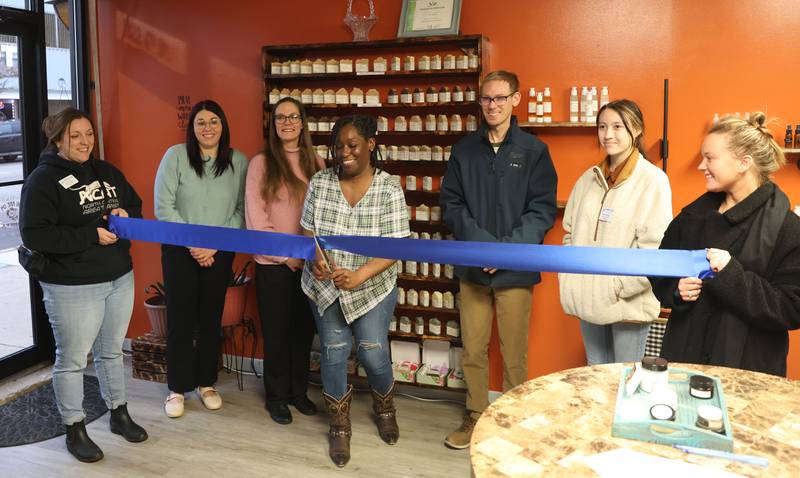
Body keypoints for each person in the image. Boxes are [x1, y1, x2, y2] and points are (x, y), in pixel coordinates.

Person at [19, 107, 147, 462]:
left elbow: (135, 204)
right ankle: (74, 428)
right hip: (72, 286)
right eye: (75, 135)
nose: (84, 141)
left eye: (88, 133)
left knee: (110, 352)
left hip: (119, 278)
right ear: (59, 139)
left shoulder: (105, 171)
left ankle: (119, 413)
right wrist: (91, 235)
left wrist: (126, 215)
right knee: (74, 360)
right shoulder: (42, 180)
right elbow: (35, 234)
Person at [439, 70, 557, 449]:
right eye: (487, 99)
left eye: (500, 98)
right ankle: (475, 415)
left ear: (515, 100)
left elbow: (541, 210)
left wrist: (505, 250)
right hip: (473, 265)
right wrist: (483, 247)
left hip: (515, 267)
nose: (492, 105)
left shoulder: (534, 150)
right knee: (472, 348)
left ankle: (511, 420)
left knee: (514, 352)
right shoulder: (463, 150)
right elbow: (452, 204)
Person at [649, 112, 800, 377]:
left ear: (744, 163)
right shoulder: (691, 217)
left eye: (710, 158)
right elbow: (660, 269)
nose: (701, 166)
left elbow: (791, 308)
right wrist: (676, 289)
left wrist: (730, 274)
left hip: (748, 374)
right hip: (684, 361)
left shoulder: (788, 229)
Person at [301, 115, 409, 467]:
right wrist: (316, 258)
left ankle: (384, 405)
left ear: (371, 145)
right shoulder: (320, 182)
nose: (344, 153)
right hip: (328, 285)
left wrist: (361, 274)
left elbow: (396, 247)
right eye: (339, 147)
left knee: (372, 351)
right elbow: (307, 233)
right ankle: (339, 425)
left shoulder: (389, 188)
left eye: (352, 145)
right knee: (333, 350)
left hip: (372, 287)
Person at [559, 99, 672, 365]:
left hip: (627, 304)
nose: (608, 134)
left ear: (637, 129)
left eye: (618, 126)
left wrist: (615, 287)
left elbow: (655, 249)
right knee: (595, 375)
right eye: (602, 126)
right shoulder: (588, 179)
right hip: (588, 298)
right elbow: (569, 235)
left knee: (626, 379)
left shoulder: (653, 181)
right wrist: (573, 279)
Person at [154, 99, 248, 417]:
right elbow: (164, 208)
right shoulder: (175, 157)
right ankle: (177, 388)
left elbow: (241, 211)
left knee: (211, 319)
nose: (207, 128)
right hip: (180, 250)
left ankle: (206, 383)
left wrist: (213, 245)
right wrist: (195, 243)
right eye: (200, 122)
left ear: (223, 126)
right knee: (180, 320)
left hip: (219, 252)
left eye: (213, 121)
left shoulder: (238, 161)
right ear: (192, 128)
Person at [245, 97, 325, 425]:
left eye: (293, 117)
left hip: (308, 265)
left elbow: (323, 214)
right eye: (280, 117)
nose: (287, 122)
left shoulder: (317, 163)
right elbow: (256, 217)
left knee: (302, 332)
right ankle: (276, 397)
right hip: (273, 265)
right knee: (276, 332)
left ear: (302, 123)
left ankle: (297, 392)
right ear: (273, 124)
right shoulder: (261, 163)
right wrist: (287, 257)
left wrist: (308, 257)